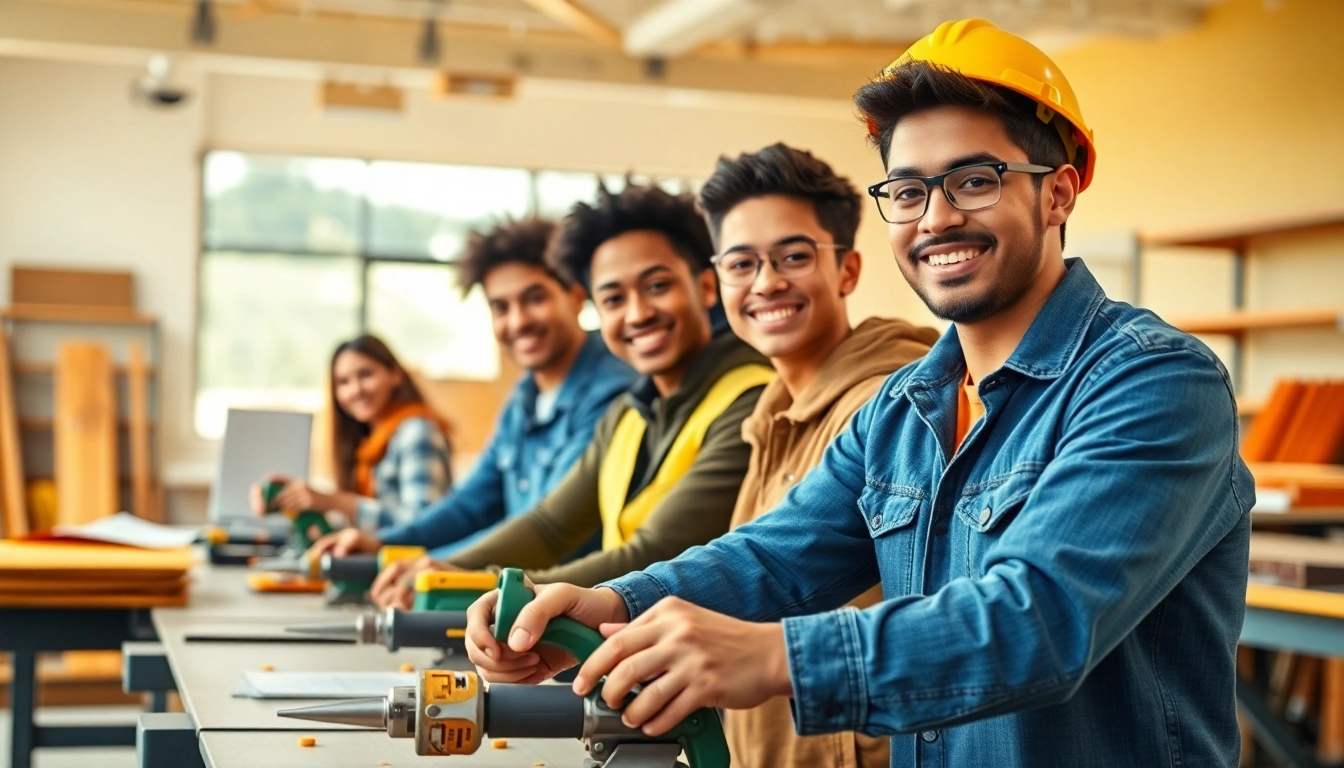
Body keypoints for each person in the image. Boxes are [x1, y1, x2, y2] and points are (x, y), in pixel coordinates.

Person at [464, 19, 1255, 768]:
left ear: (1060, 192)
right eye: (907, 192)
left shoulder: (1152, 382)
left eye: (975, 180)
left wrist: (774, 657)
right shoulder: (906, 407)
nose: (936, 218)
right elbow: (776, 557)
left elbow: (1039, 622)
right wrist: (609, 606)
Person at [369, 182, 773, 609]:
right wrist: (450, 571)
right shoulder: (630, 411)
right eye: (614, 298)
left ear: (707, 288)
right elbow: (549, 525)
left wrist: (489, 589)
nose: (637, 313)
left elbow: (651, 554)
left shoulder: (749, 400)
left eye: (657, 286)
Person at [700, 142, 939, 768]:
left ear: (848, 271)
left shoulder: (883, 409)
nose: (766, 282)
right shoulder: (772, 414)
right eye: (741, 263)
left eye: (794, 256)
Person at [306, 218, 636, 560]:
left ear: (576, 296)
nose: (518, 321)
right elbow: (468, 506)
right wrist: (385, 544)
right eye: (501, 307)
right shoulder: (523, 400)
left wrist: (433, 564)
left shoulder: (612, 393)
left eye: (535, 298)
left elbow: (547, 527)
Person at [252, 334, 451, 530]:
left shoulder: (417, 432)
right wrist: (296, 499)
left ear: (395, 375)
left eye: (365, 374)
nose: (355, 390)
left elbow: (424, 523)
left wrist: (335, 502)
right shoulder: (366, 446)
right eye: (343, 382)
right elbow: (361, 526)